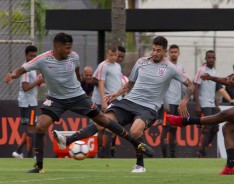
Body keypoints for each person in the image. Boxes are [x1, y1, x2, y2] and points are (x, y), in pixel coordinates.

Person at [4, 32, 153, 173]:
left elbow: (76, 70)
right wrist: (12, 75)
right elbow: (22, 69)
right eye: (67, 47)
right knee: (41, 126)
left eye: (71, 47)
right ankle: (39, 165)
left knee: (102, 120)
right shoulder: (43, 59)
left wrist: (80, 80)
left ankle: (137, 144)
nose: (70, 50)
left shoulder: (73, 56)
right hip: (55, 99)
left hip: (77, 97)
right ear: (57, 47)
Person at [56, 36, 195, 173]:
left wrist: (184, 101)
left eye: (158, 51)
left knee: (135, 131)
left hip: (149, 107)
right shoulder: (141, 62)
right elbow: (130, 84)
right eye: (153, 50)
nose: (155, 53)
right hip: (129, 102)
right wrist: (116, 93)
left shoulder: (170, 68)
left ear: (164, 51)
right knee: (101, 121)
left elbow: (190, 84)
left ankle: (139, 165)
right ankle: (67, 141)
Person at [166, 41, 234, 175]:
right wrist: (211, 78)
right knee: (227, 128)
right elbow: (230, 80)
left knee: (224, 115)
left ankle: (185, 121)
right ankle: (231, 167)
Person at [12, 45, 44, 159]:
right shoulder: (26, 68)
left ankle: (18, 151)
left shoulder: (32, 67)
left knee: (30, 128)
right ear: (26, 55)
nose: (33, 58)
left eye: (35, 56)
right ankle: (30, 155)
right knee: (32, 128)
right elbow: (25, 87)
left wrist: (39, 82)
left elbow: (32, 85)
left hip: (30, 102)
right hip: (28, 103)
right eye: (31, 56)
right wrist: (38, 81)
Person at [92, 45, 122, 158]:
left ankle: (109, 151)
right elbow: (101, 83)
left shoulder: (118, 66)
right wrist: (103, 100)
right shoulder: (103, 66)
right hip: (106, 100)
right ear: (107, 54)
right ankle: (101, 152)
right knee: (101, 127)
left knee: (112, 127)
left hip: (115, 100)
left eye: (115, 55)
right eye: (111, 55)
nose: (114, 57)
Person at [193, 50, 221, 158]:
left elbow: (212, 89)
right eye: (209, 57)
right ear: (205, 58)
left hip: (211, 103)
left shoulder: (214, 71)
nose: (211, 59)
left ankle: (203, 147)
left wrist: (216, 104)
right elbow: (196, 87)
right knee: (208, 127)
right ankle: (202, 151)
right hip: (204, 102)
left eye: (213, 58)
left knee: (216, 128)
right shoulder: (201, 70)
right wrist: (197, 105)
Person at [160, 44, 185, 158]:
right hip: (168, 102)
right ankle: (165, 156)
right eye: (172, 52)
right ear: (168, 53)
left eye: (175, 52)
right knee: (166, 128)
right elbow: (162, 85)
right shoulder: (165, 65)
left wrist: (182, 101)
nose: (174, 54)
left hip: (177, 102)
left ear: (179, 53)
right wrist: (165, 102)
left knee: (174, 130)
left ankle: (172, 155)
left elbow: (183, 85)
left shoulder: (181, 66)